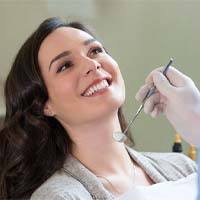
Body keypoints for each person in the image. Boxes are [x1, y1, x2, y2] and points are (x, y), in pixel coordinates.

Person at [0, 17, 197, 200]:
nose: (92, 64)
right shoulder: (59, 196)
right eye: (65, 65)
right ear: (45, 105)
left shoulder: (183, 168)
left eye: (95, 51)